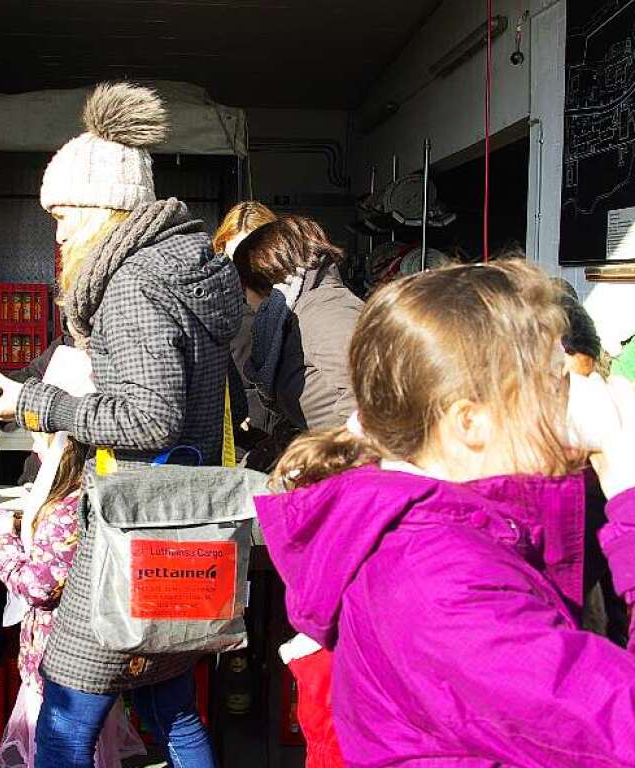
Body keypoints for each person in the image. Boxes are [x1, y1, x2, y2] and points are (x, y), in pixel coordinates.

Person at [256, 259, 635, 764]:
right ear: (471, 423)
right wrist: (628, 486)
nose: (574, 409)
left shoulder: (446, 535)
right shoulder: (439, 582)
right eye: (554, 387)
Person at [0, 82, 242, 768]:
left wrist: (31, 406)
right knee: (170, 708)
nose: (56, 233)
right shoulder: (184, 269)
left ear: (106, 209)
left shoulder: (133, 284)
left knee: (63, 722)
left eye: (63, 215)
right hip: (176, 530)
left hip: (125, 536)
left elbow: (148, 416)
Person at [0, 428, 144, 768]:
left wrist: (1, 541)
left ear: (64, 448)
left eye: (39, 441)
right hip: (93, 653)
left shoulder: (66, 510)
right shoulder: (95, 493)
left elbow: (38, 587)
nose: (33, 448)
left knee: (61, 747)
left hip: (60, 656)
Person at [232, 216, 362, 469]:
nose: (245, 299)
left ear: (261, 274)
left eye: (243, 286)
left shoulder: (327, 313)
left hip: (348, 473)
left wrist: (330, 463)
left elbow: (369, 403)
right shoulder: (301, 312)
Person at [213, 202, 278, 451]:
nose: (240, 272)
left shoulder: (292, 303)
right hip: (232, 441)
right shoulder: (212, 305)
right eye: (232, 259)